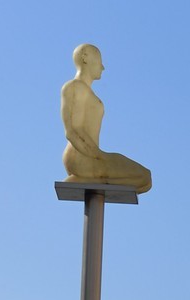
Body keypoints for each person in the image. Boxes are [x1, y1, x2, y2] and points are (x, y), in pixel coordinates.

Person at [61, 43, 153, 193]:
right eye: (99, 60)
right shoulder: (74, 87)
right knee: (143, 177)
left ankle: (92, 180)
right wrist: (99, 156)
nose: (102, 67)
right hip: (81, 158)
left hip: (93, 155)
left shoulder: (85, 90)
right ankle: (87, 179)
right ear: (85, 58)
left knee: (145, 180)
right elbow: (72, 131)